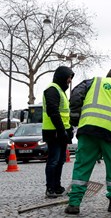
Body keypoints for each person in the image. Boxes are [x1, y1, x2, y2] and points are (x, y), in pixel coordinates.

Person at [65, 67, 111, 215]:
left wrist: (74, 116)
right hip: (109, 133)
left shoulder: (92, 82)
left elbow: (76, 94)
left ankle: (74, 203)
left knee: (82, 166)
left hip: (87, 130)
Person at [42, 66, 75, 198]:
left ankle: (57, 186)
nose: (69, 81)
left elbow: (65, 114)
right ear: (62, 76)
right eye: (68, 77)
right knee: (54, 160)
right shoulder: (52, 90)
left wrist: (69, 129)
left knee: (60, 160)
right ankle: (50, 187)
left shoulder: (60, 91)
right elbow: (53, 112)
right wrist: (62, 131)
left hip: (61, 131)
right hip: (54, 131)